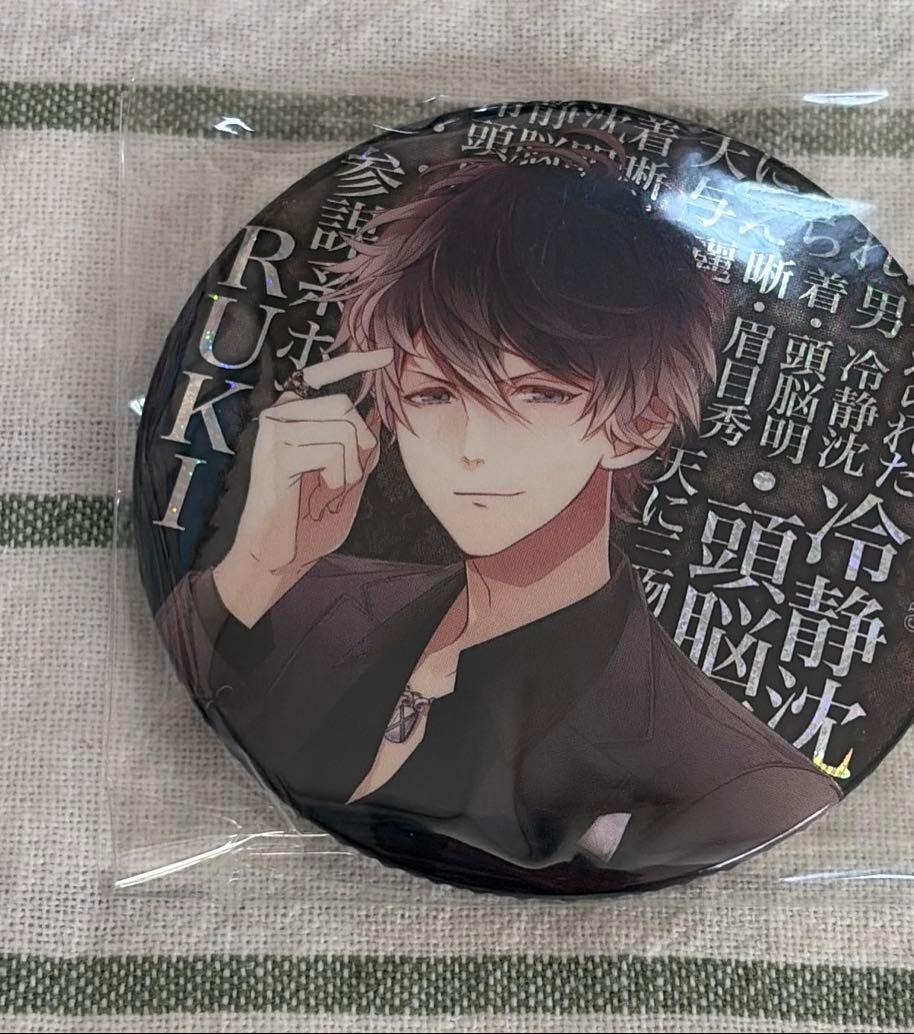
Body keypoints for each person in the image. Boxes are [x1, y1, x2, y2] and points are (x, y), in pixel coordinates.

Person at [158, 140, 840, 893]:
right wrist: (259, 566)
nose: (471, 448)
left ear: (638, 424)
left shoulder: (734, 782)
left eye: (537, 394)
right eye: (433, 395)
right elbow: (162, 711)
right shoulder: (303, 598)